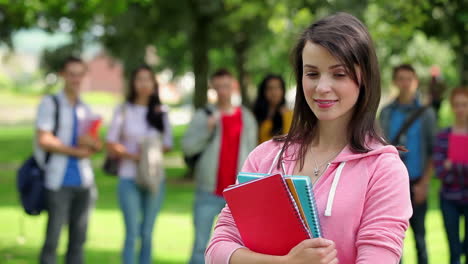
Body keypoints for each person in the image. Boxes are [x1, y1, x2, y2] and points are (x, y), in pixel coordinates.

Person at [205, 13, 412, 264]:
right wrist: (286, 263)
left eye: (339, 74)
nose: (322, 87)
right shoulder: (266, 156)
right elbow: (217, 250)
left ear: (365, 78)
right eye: (312, 74)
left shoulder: (384, 169)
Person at [182, 69, 257, 264]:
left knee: (236, 249)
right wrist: (207, 130)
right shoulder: (204, 115)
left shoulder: (246, 117)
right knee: (200, 246)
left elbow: (254, 153)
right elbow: (188, 148)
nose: (223, 91)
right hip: (208, 191)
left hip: (237, 195)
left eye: (226, 86)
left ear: (233, 86)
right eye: (218, 87)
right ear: (213, 88)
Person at [37, 56, 102, 264]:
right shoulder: (50, 103)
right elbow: (44, 139)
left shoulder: (85, 108)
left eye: (79, 74)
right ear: (63, 75)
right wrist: (76, 151)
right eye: (71, 74)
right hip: (58, 181)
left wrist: (92, 144)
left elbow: (95, 144)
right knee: (53, 240)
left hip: (84, 182)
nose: (76, 79)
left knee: (78, 242)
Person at [106, 65, 173, 264]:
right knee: (131, 232)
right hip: (128, 176)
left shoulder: (161, 111)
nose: (144, 84)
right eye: (139, 79)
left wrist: (149, 152)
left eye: (148, 79)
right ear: (133, 83)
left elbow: (168, 144)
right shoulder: (124, 109)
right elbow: (110, 142)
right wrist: (134, 156)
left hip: (154, 177)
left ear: (154, 84)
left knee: (147, 232)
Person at [380, 64, 437, 264]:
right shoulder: (386, 113)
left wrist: (425, 184)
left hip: (417, 182)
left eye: (409, 79)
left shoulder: (426, 113)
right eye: (401, 79)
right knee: (393, 241)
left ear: (416, 82)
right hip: (391, 185)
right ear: (395, 82)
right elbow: (380, 147)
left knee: (420, 238)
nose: (405, 84)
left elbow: (433, 151)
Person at [433, 87, 468, 264]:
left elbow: (447, 169)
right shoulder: (443, 136)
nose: (461, 109)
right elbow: (440, 172)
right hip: (449, 199)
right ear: (452, 107)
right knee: (454, 251)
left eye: (464, 105)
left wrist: (453, 166)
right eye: (457, 105)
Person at [253, 74, 293, 144]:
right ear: (263, 92)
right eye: (270, 88)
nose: (274, 92)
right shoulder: (256, 114)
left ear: (283, 91)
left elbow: (290, 140)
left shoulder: (288, 114)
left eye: (278, 88)